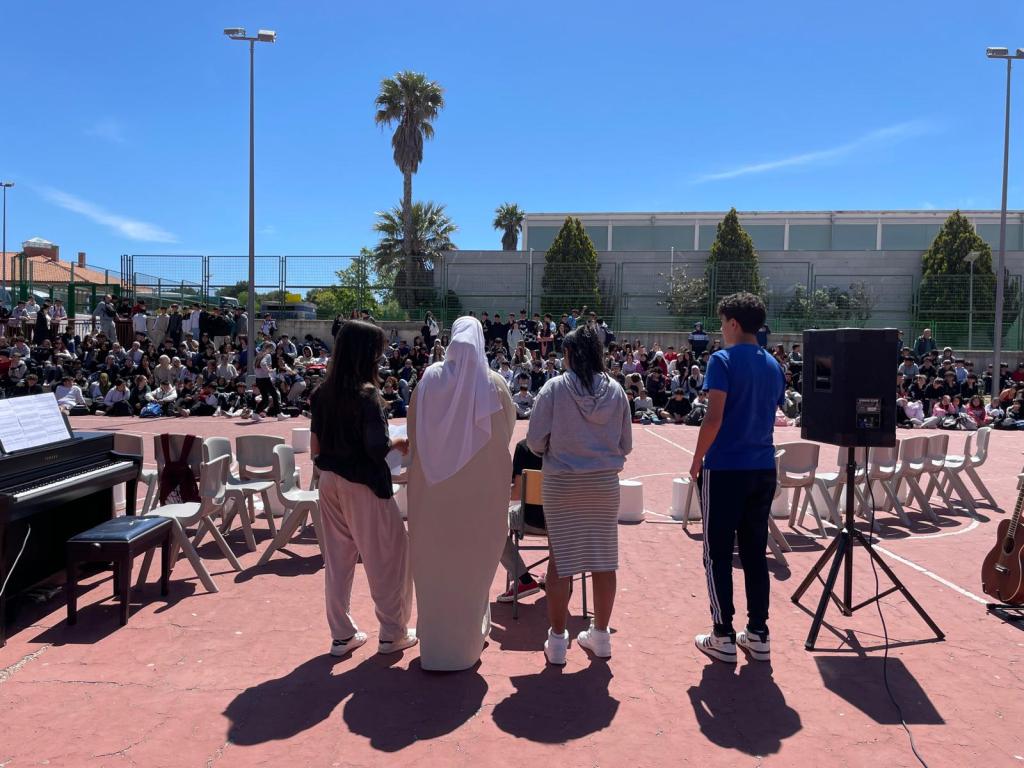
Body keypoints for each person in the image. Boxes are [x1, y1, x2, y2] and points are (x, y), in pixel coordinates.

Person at [406, 316, 516, 671]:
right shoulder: (494, 384)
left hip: (432, 499)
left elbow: (411, 430)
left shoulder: (428, 381)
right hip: (481, 498)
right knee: (472, 572)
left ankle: (435, 645)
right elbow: (508, 430)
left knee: (435, 570)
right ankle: (467, 643)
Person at [309, 319, 416, 658]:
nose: (381, 357)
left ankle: (341, 635)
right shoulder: (367, 395)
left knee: (338, 562)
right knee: (390, 557)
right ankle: (393, 633)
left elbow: (314, 449)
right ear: (366, 353)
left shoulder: (321, 393)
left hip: (329, 481)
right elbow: (376, 447)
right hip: (364, 484)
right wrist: (398, 442)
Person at [689, 292, 785, 665]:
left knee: (716, 554)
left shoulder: (722, 360)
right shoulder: (773, 365)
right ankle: (758, 632)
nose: (720, 330)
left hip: (726, 468)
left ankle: (722, 634)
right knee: (754, 553)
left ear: (733, 323)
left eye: (722, 323)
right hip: (762, 467)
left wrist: (696, 460)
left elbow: (713, 417)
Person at [526, 324, 632, 664]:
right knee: (604, 561)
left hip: (562, 483)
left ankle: (558, 641)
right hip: (603, 484)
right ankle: (601, 635)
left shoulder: (554, 388)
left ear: (569, 354)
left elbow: (534, 440)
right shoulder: (616, 390)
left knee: (560, 561)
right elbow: (626, 443)